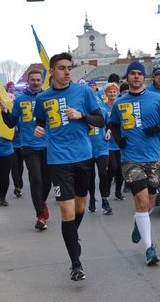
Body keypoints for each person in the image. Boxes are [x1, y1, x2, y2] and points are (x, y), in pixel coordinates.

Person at [33, 52, 104, 281]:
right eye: (62, 68)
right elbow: (40, 120)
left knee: (80, 208)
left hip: (83, 157)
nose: (66, 72)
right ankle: (76, 263)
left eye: (69, 68)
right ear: (52, 71)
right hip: (58, 160)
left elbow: (99, 120)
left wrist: (81, 115)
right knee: (66, 210)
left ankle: (73, 237)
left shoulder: (83, 92)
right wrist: (38, 128)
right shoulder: (43, 98)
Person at [109, 61, 160, 266]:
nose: (136, 77)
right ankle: (150, 248)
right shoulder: (119, 102)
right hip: (130, 159)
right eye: (133, 74)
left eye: (140, 74)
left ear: (143, 77)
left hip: (153, 157)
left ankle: (138, 223)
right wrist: (118, 139)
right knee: (140, 201)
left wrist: (156, 129)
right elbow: (113, 124)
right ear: (127, 77)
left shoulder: (156, 99)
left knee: (150, 203)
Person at [1, 70, 52, 230]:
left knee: (47, 182)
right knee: (36, 180)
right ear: (28, 81)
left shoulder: (48, 97)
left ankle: (42, 204)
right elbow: (11, 123)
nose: (36, 83)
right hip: (29, 146)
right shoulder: (21, 99)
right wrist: (4, 111)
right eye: (33, 80)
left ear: (42, 81)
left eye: (38, 80)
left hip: (48, 146)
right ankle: (41, 216)